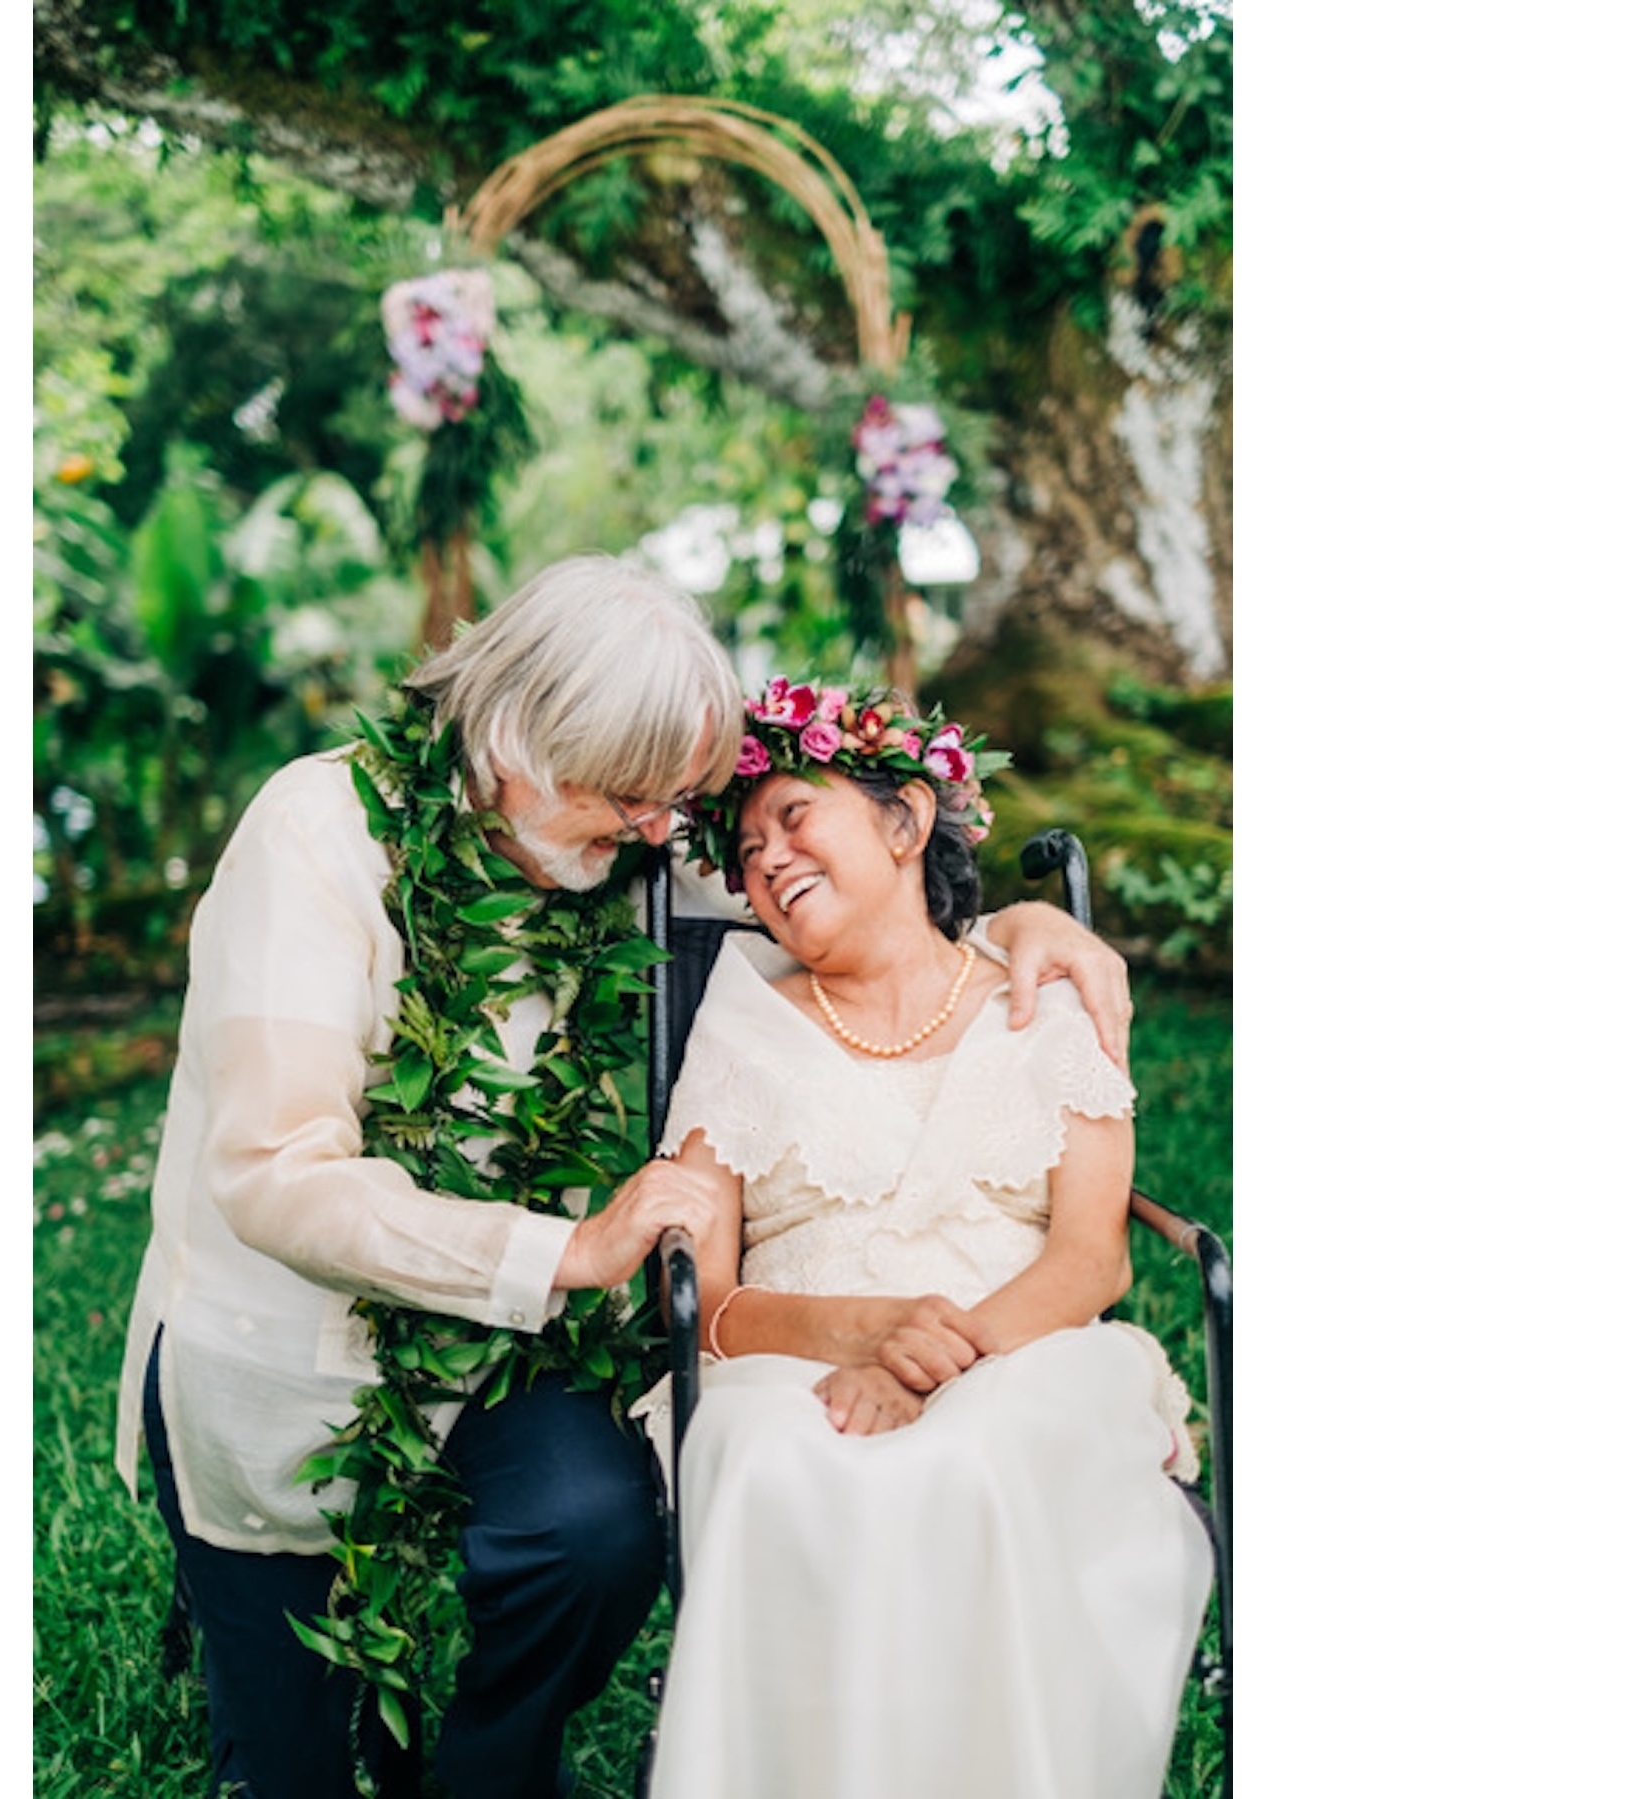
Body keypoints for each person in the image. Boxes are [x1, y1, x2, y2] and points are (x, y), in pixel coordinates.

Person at [110, 557, 1139, 1799]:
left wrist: (1023, 925)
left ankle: (494, 1774)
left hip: (505, 1360)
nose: (666, 836)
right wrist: (574, 1253)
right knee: (298, 1772)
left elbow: (858, 906)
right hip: (289, 1372)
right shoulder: (317, 834)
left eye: (676, 802)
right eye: (634, 798)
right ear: (514, 741)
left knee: (593, 1531)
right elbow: (273, 1175)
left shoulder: (614, 840)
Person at [638, 676, 1216, 1799]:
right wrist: (853, 1333)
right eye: (747, 847)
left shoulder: (1045, 999)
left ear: (905, 818)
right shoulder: (742, 1020)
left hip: (1026, 1344)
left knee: (974, 1460)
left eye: (794, 815)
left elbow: (1092, 1258)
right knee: (775, 1464)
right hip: (792, 1359)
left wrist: (925, 1363)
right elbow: (701, 1294)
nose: (766, 858)